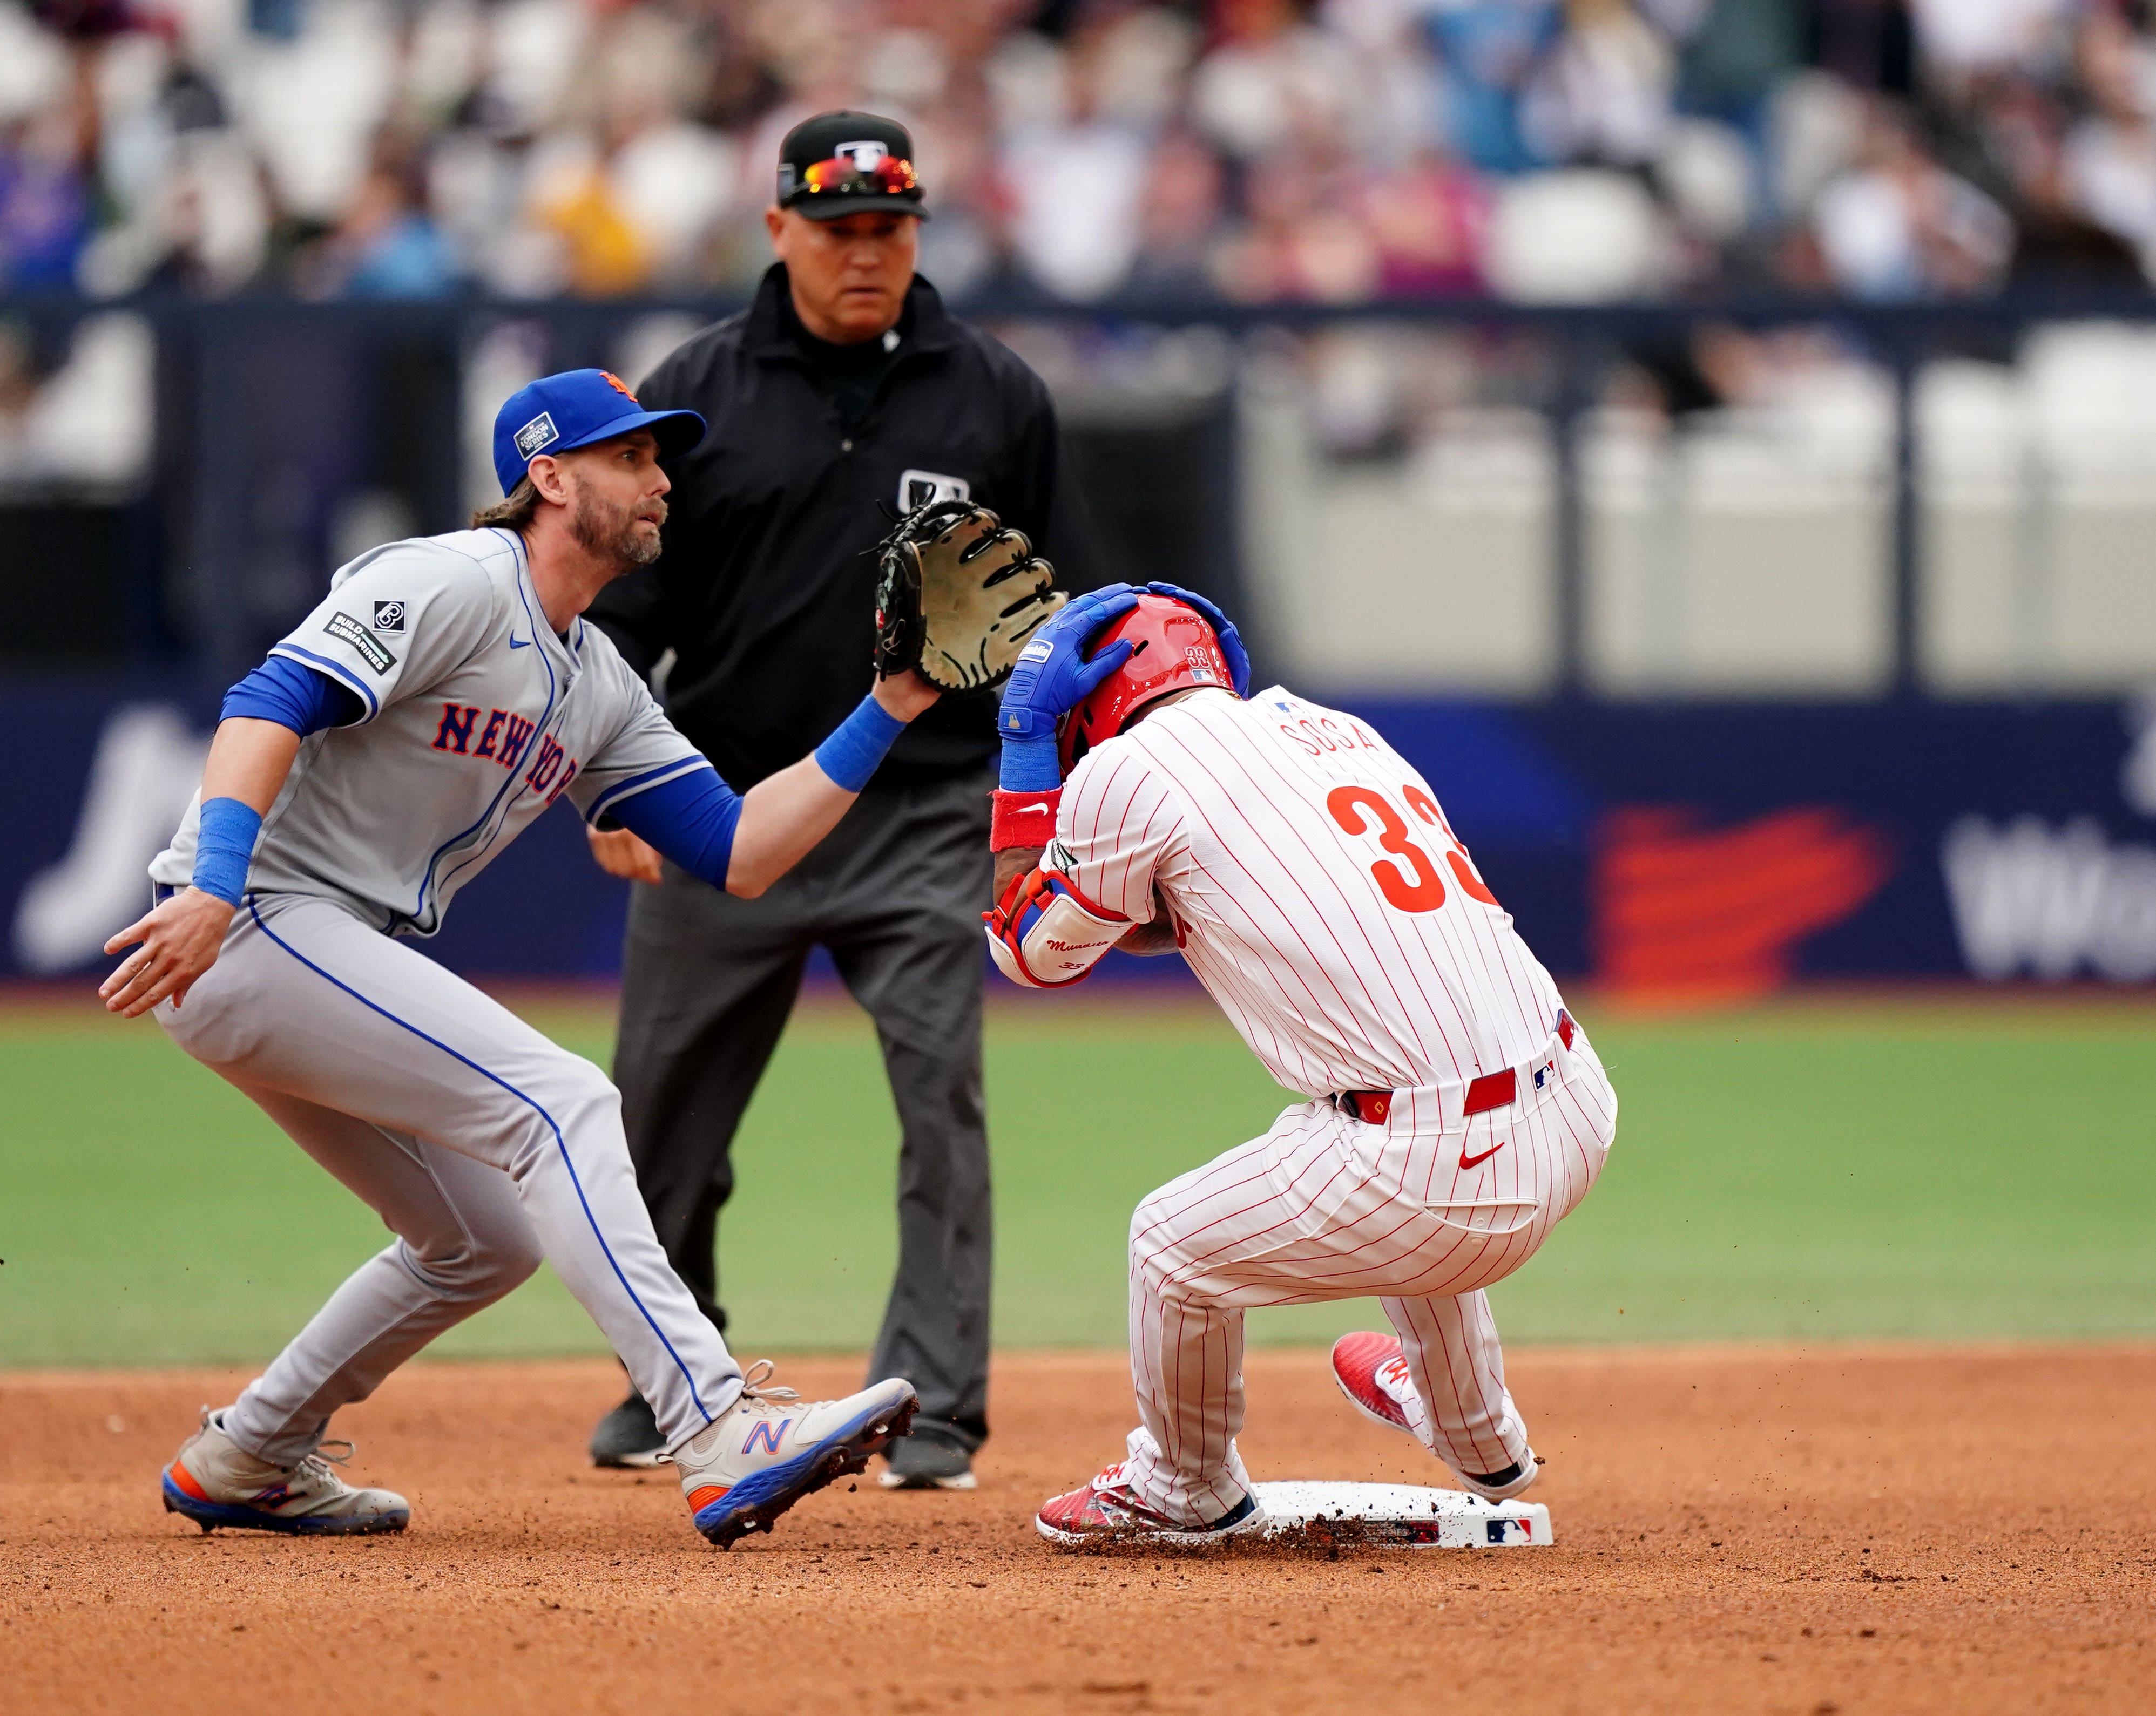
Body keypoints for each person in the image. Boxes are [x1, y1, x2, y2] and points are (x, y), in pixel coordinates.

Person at [103, 368, 935, 1549]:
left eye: (661, 460)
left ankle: (251, 1452)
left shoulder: (595, 679)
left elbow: (740, 851)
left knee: (480, 1240)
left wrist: (891, 703)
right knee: (562, 1102)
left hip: (312, 949)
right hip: (254, 918)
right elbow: (265, 701)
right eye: (632, 459)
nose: (660, 482)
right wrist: (217, 884)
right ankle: (715, 1427)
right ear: (549, 478)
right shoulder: (448, 579)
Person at [578, 111, 1094, 1489]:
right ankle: (671, 1384)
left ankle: (933, 1413)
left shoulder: (997, 395)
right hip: (719, 806)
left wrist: (1041, 809)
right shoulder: (697, 390)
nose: (868, 253)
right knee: (656, 1123)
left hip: (927, 815)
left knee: (943, 1115)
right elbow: (621, 615)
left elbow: (1058, 631)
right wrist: (616, 782)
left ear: (920, 232)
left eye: (892, 227)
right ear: (780, 231)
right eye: (840, 227)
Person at [978, 585, 1619, 1545]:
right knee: (1376, 1118)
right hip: (1576, 1105)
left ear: (1091, 707)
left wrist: (1025, 751)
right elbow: (1203, 895)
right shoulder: (1329, 724)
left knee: (1170, 1246)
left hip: (1435, 1174)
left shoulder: (1125, 769)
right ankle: (1478, 1436)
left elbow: (1032, 953)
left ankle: (1182, 1488)